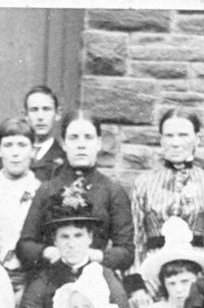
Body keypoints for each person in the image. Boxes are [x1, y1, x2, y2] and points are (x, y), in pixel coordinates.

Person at [14, 181, 134, 308]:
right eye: (64, 237)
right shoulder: (44, 279)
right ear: (54, 240)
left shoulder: (105, 276)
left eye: (78, 236)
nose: (71, 244)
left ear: (90, 238)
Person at [16, 109, 134, 278]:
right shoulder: (47, 190)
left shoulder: (112, 191)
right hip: (52, 278)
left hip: (96, 278)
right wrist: (52, 252)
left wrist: (92, 256)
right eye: (73, 138)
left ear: (99, 143)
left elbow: (127, 253)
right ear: (63, 143)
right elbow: (24, 246)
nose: (81, 144)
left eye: (88, 138)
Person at [126, 108, 204, 300]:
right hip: (152, 276)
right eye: (169, 136)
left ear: (197, 139)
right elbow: (136, 238)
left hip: (197, 275)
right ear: (161, 140)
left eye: (183, 135)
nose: (176, 143)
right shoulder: (144, 183)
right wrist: (137, 286)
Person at [0, 116, 42, 301]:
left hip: (31, 279)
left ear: (33, 150)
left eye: (22, 145)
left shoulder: (43, 192)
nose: (15, 153)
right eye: (8, 145)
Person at [0, 84, 67, 182]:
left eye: (46, 109)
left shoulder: (63, 158)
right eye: (34, 110)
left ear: (57, 114)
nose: (40, 117)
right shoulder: (5, 152)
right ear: (25, 115)